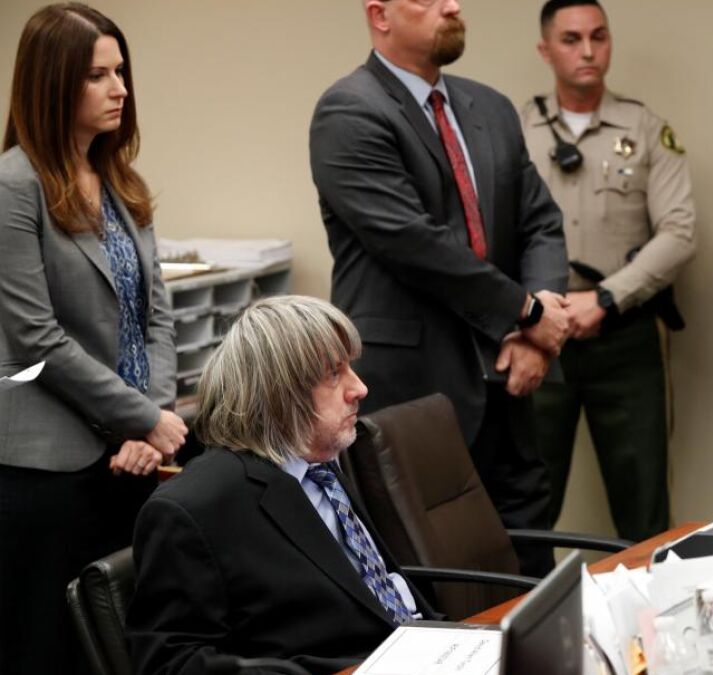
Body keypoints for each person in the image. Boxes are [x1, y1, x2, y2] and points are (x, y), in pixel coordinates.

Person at [309, 0, 569, 574]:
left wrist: (539, 328)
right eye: (429, 0)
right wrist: (526, 311)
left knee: (529, 568)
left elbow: (540, 223)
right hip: (414, 387)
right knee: (430, 578)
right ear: (380, 15)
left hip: (509, 380)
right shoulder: (350, 109)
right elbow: (413, 243)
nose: (452, 6)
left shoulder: (490, 107)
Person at [0, 4, 185, 672]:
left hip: (129, 458)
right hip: (48, 472)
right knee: (50, 653)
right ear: (53, 84)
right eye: (98, 75)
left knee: (127, 649)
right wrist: (142, 417)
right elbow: (36, 339)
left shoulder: (120, 181)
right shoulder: (13, 186)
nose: (120, 89)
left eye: (121, 72)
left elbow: (156, 317)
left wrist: (149, 422)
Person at [127, 296, 436, 675]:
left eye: (350, 368)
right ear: (279, 392)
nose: (360, 388)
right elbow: (169, 663)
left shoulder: (322, 467)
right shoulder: (193, 508)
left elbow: (368, 594)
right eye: (334, 374)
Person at [521, 0, 696, 542]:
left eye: (599, 36)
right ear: (545, 50)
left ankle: (647, 596)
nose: (588, 51)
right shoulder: (514, 129)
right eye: (571, 39)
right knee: (528, 500)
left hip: (623, 333)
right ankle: (525, 600)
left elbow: (679, 233)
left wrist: (604, 299)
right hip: (535, 335)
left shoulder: (646, 129)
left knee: (643, 501)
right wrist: (535, 309)